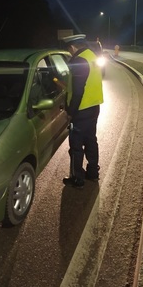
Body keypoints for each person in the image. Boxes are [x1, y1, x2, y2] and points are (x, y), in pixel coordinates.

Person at [61, 34, 104, 188]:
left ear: (72, 47)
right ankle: (93, 173)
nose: (70, 52)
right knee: (91, 140)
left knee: (76, 146)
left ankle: (77, 178)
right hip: (94, 106)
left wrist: (71, 112)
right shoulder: (91, 55)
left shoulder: (79, 61)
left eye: (69, 49)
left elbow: (78, 91)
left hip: (81, 110)